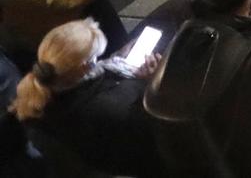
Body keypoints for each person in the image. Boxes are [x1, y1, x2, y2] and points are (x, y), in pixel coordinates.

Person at [9, 20, 159, 174]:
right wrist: (150, 81)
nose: (100, 60)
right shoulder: (107, 104)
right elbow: (151, 123)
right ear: (85, 67)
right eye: (97, 56)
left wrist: (117, 57)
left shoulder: (37, 98)